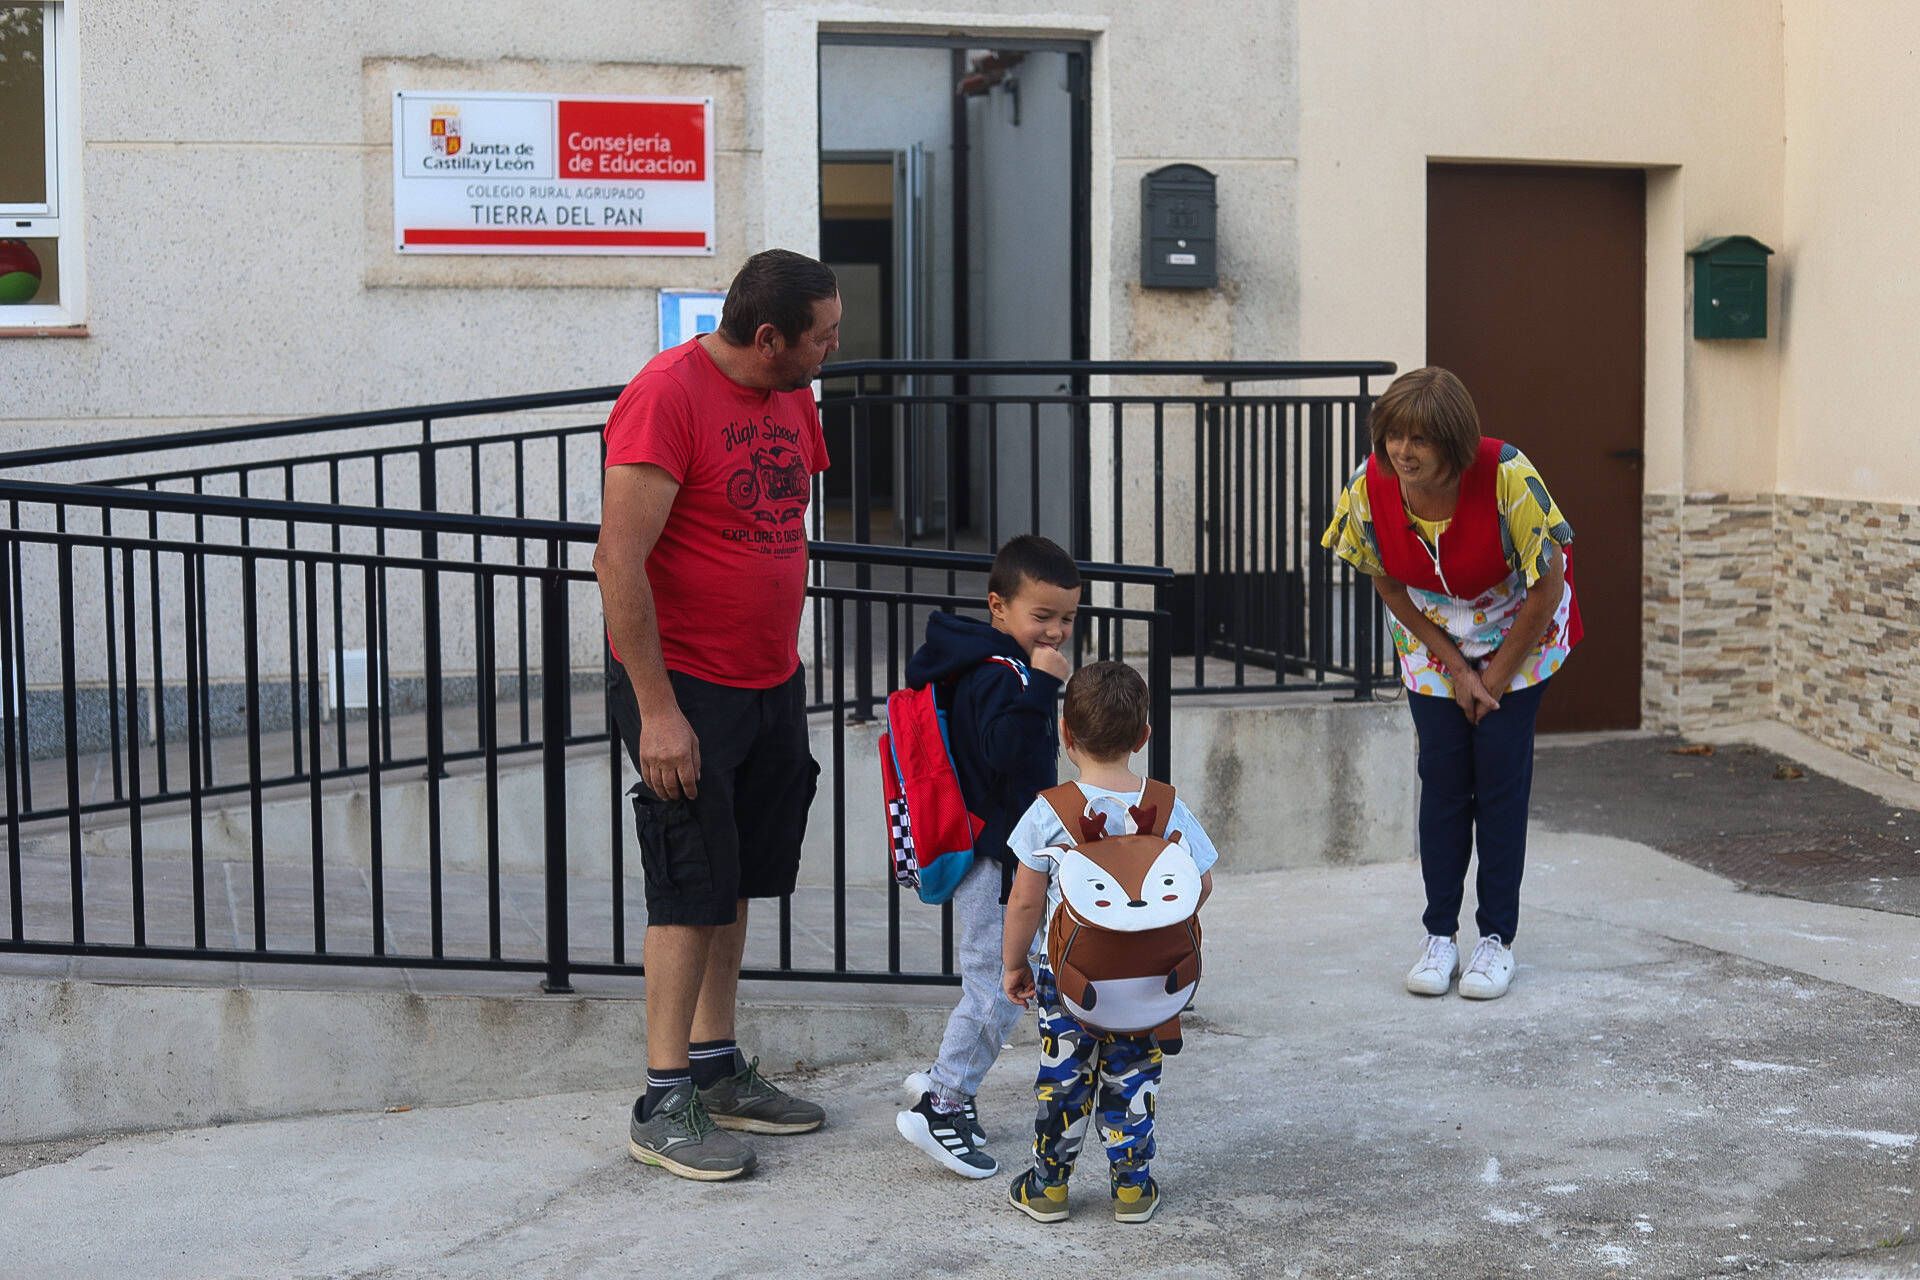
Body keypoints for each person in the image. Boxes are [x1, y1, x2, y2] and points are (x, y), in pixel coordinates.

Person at [595, 248, 841, 1181]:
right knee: (690, 881)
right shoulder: (667, 396)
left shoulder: (793, 396)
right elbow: (619, 563)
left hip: (766, 677)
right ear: (769, 337)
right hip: (682, 685)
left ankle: (715, 1064)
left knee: (736, 874)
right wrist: (658, 713)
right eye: (822, 335)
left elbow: (776, 523)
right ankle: (663, 1100)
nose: (832, 348)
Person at [1319, 366, 1580, 1002]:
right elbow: (1384, 580)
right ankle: (1439, 936)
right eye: (1392, 437)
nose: (1402, 452)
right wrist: (1457, 669)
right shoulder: (1369, 486)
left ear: (1454, 442)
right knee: (1442, 786)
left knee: (1498, 783)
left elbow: (1546, 587)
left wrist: (1493, 675)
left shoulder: (1509, 477)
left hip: (1522, 637)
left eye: (1420, 440)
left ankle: (1496, 940)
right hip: (1431, 643)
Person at [1000, 661, 1219, 1225]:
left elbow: (1024, 900)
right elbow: (1204, 882)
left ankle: (1048, 1188)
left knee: (1064, 1079)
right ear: (1144, 737)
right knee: (1135, 1078)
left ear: (1065, 735)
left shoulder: (1049, 812)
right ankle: (1131, 1189)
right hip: (1147, 982)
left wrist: (1014, 965)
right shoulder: (1167, 806)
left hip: (1068, 978)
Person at [894, 534, 1081, 1179]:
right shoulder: (1007, 675)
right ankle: (944, 1100)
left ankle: (939, 1083)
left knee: (996, 974)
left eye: (1067, 618)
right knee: (998, 986)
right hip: (994, 855)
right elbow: (1009, 758)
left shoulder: (986, 664)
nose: (1056, 631)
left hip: (990, 850)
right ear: (999, 608)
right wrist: (1043, 693)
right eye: (1043, 617)